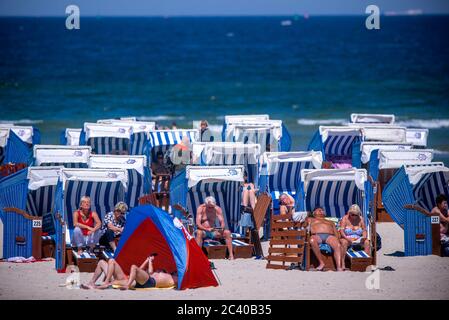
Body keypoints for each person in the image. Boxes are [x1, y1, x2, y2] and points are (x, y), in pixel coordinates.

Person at [304, 207, 343, 271]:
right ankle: (321, 263)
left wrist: (338, 239)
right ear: (314, 213)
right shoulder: (310, 219)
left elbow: (335, 232)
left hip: (330, 236)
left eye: (322, 210)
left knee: (337, 245)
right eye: (319, 210)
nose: (321, 211)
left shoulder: (330, 222)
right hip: (316, 235)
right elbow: (305, 226)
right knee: (312, 240)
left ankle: (339, 267)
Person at [339, 204, 370, 269]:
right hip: (347, 238)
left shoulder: (361, 219)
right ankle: (342, 263)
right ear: (349, 213)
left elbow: (364, 230)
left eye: (356, 215)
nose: (354, 216)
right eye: (352, 214)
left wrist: (364, 237)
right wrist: (347, 238)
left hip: (358, 238)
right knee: (344, 243)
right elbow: (341, 232)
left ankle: (366, 262)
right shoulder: (345, 218)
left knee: (367, 242)